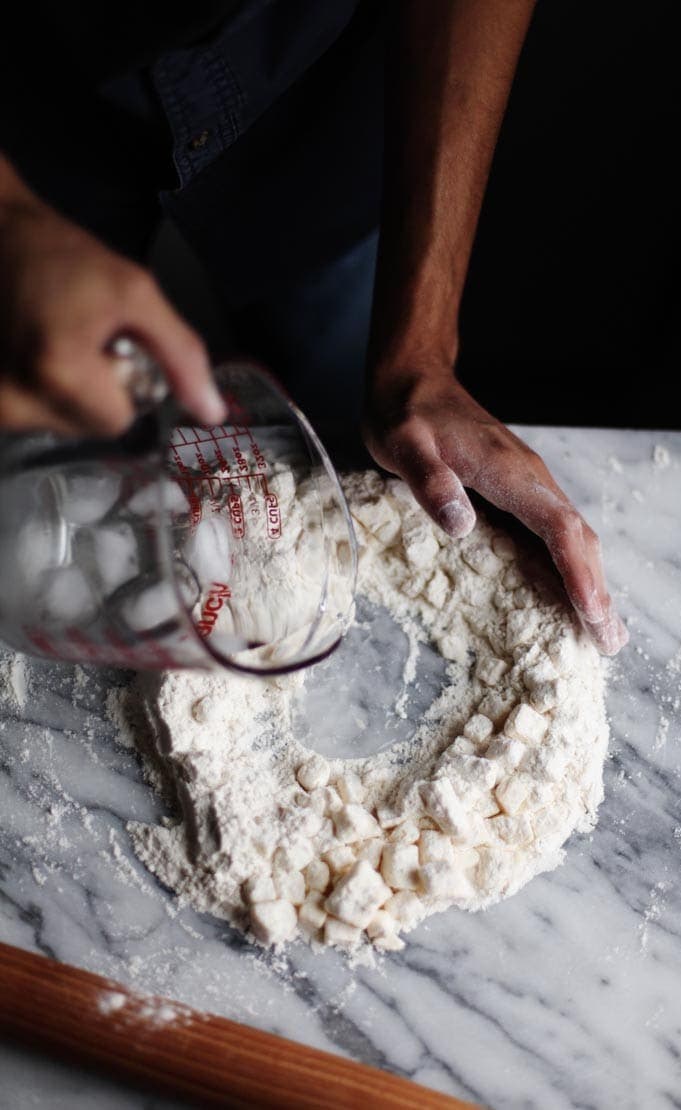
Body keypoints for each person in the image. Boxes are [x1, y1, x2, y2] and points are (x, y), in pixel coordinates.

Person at [0, 1, 630, 655]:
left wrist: (421, 358)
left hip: (303, 88)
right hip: (34, 95)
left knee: (365, 419)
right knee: (49, 432)